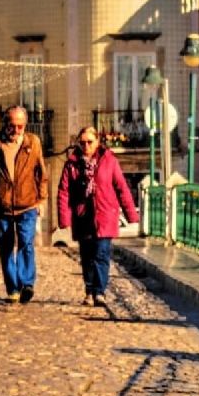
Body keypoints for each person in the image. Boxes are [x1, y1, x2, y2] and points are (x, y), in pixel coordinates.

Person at [0, 106, 48, 304]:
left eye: (20, 126)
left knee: (26, 243)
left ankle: (27, 283)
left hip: (27, 203)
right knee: (6, 248)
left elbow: (41, 173)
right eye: (12, 126)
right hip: (2, 205)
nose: (16, 130)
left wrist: (42, 199)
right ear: (4, 123)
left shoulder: (33, 142)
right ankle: (13, 288)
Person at [57, 125, 137, 309]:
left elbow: (121, 187)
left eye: (90, 142)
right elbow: (63, 191)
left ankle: (99, 292)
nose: (86, 146)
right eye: (82, 142)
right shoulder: (72, 164)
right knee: (87, 256)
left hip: (105, 215)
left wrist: (130, 213)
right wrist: (64, 218)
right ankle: (89, 290)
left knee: (101, 254)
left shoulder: (110, 161)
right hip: (83, 217)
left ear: (97, 142)